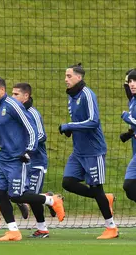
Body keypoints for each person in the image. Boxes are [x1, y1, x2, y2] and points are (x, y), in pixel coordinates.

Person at [0, 77, 65, 241]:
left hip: (18, 159)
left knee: (17, 196)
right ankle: (13, 230)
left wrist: (29, 151)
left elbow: (32, 130)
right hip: (3, 158)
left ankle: (52, 200)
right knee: (1, 193)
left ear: (2, 90)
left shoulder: (13, 106)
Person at [59, 63, 117, 239]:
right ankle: (104, 198)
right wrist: (71, 129)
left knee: (96, 187)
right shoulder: (72, 96)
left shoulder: (87, 94)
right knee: (67, 182)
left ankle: (111, 228)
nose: (65, 79)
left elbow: (93, 121)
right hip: (78, 152)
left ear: (79, 77)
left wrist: (70, 126)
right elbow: (79, 122)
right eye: (65, 76)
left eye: (69, 76)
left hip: (94, 151)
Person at [11, 83, 54, 238]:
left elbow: (42, 135)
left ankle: (43, 228)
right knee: (14, 191)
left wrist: (28, 143)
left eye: (16, 94)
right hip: (21, 162)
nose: (13, 97)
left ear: (26, 96)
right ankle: (49, 198)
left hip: (36, 162)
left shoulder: (33, 113)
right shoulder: (15, 113)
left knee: (31, 195)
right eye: (12, 94)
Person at [120, 70, 136, 206]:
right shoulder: (133, 101)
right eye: (130, 81)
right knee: (130, 188)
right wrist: (130, 133)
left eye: (134, 81)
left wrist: (128, 118)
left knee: (129, 185)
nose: (132, 84)